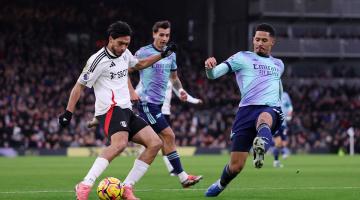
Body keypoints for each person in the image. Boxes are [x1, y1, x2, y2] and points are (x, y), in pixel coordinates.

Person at [58, 20, 176, 200]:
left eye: (126, 44)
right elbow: (79, 86)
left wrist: (162, 55)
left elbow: (139, 64)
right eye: (120, 43)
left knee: (155, 143)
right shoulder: (97, 60)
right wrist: (68, 113)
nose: (123, 47)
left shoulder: (125, 53)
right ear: (110, 39)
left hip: (126, 109)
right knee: (119, 144)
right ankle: (85, 184)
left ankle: (127, 187)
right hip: (110, 109)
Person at [204, 23, 285, 197]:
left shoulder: (278, 64)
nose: (259, 43)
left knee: (264, 118)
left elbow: (278, 87)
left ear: (273, 42)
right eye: (257, 39)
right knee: (236, 166)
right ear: (253, 40)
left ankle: (261, 145)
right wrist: (209, 69)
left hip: (270, 109)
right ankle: (220, 184)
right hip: (246, 112)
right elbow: (214, 75)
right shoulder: (242, 57)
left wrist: (280, 106)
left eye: (264, 40)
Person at [134, 20, 203, 188]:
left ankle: (182, 177)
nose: (164, 38)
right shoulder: (143, 52)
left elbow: (174, 78)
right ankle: (183, 177)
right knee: (168, 136)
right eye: (161, 35)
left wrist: (181, 91)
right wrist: (129, 92)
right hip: (146, 103)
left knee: (155, 144)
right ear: (154, 34)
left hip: (157, 105)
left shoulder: (171, 54)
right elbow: (127, 70)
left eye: (167, 35)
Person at [273, 91, 293, 168]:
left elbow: (290, 106)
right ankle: (282, 154)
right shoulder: (271, 93)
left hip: (284, 124)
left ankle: (277, 160)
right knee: (278, 142)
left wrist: (290, 114)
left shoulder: (285, 95)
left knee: (284, 142)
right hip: (275, 123)